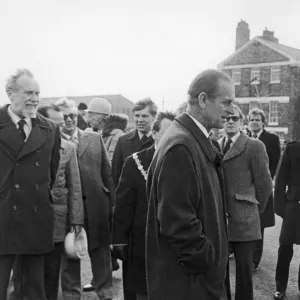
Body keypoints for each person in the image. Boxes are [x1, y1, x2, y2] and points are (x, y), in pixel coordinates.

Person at [146, 69, 234, 300]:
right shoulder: (182, 146)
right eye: (226, 102)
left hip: (195, 280)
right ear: (203, 100)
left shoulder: (189, 139)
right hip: (190, 284)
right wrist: (208, 260)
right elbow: (177, 222)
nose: (231, 110)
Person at [0, 69, 61, 299]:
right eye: (28, 93)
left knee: (33, 290)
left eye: (37, 93)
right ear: (10, 93)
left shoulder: (49, 128)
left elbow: (51, 173)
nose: (35, 99)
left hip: (35, 218)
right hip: (3, 217)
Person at [55, 98, 115, 300]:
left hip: (96, 207)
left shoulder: (94, 139)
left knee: (101, 257)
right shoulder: (52, 143)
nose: (69, 120)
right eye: (64, 117)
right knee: (70, 257)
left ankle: (105, 294)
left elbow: (108, 174)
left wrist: (112, 205)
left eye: (72, 115)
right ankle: (73, 296)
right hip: (69, 210)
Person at [113, 111, 175, 300]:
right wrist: (119, 239)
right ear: (155, 133)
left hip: (173, 241)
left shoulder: (183, 161)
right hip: (141, 242)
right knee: (142, 291)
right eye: (167, 132)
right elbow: (123, 205)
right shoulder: (135, 162)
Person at [219, 105, 272, 300]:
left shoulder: (254, 146)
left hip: (245, 221)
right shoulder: (216, 144)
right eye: (226, 119)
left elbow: (264, 186)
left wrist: (252, 212)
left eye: (234, 118)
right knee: (219, 273)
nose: (230, 122)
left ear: (241, 121)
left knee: (244, 275)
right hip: (220, 220)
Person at [112, 97, 157, 300]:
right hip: (130, 214)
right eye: (136, 116)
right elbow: (115, 179)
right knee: (131, 275)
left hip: (152, 212)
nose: (139, 120)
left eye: (144, 116)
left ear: (153, 117)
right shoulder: (124, 141)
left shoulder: (159, 141)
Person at [38, 104, 84, 300]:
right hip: (28, 221)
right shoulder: (25, 147)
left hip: (57, 222)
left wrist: (76, 220)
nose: (59, 127)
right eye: (53, 123)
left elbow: (75, 186)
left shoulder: (68, 148)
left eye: (60, 123)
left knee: (51, 272)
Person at [248, 107, 281, 271]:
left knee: (259, 225)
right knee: (245, 223)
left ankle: (255, 260)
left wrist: (266, 180)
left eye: (257, 120)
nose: (254, 122)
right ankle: (240, 253)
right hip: (245, 190)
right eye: (252, 120)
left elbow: (276, 163)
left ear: (263, 122)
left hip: (262, 189)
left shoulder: (272, 139)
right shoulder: (243, 138)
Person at [273, 140, 300, 300]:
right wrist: (281, 208)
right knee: (285, 247)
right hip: (293, 205)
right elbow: (281, 178)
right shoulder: (293, 148)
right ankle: (280, 286)